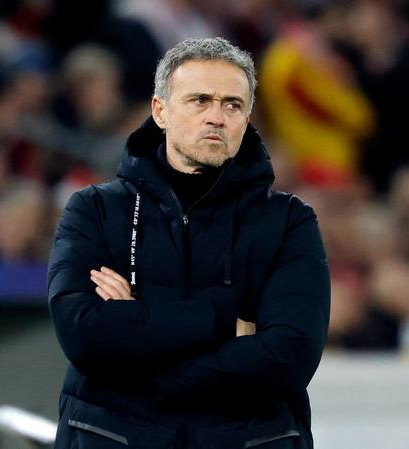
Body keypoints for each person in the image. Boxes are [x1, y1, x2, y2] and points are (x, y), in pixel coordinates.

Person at [47, 37, 330, 449]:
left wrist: (139, 331)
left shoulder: (289, 221)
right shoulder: (95, 210)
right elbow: (83, 333)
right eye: (200, 101)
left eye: (232, 105)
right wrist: (225, 325)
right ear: (160, 111)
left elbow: (290, 355)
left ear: (247, 118)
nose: (216, 117)